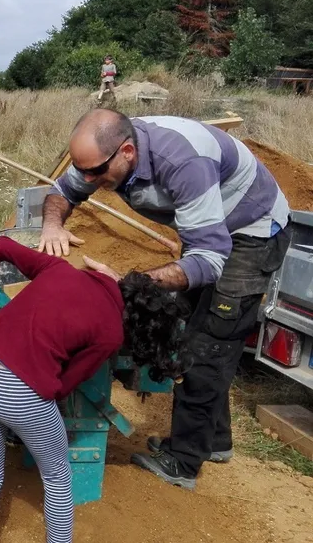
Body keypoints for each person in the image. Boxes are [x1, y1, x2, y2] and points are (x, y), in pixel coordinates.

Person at [38, 109, 293, 490]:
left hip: (250, 234)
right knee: (193, 326)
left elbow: (208, 259)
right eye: (83, 170)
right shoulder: (104, 152)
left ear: (126, 151)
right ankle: (214, 442)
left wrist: (129, 283)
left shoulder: (183, 162)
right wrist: (52, 223)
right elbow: (63, 192)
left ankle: (185, 461)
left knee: (209, 343)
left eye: (95, 173)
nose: (88, 181)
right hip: (210, 233)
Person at [0, 235, 188, 543]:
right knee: (57, 479)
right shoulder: (110, 334)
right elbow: (64, 386)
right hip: (24, 397)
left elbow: (0, 244)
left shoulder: (59, 269)